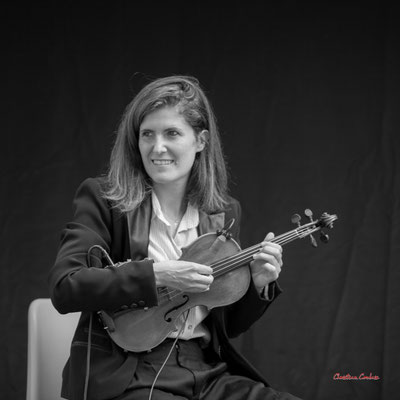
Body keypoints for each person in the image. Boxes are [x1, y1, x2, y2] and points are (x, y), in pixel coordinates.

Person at [48, 75, 302, 400]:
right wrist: (156, 274)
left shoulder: (222, 213)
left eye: (172, 133)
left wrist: (257, 283)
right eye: (147, 135)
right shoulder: (104, 199)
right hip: (128, 372)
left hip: (205, 371)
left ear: (201, 141)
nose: (158, 147)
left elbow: (223, 324)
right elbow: (65, 287)